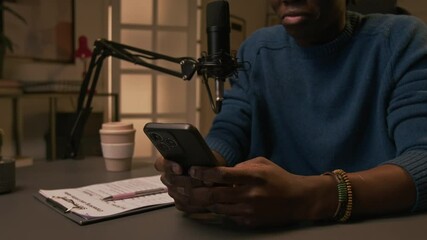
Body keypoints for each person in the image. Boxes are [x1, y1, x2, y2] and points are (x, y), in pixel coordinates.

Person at [155, 0, 427, 227]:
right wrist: (200, 171)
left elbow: (422, 158)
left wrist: (312, 198)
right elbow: (231, 129)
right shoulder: (257, 49)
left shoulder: (400, 40)